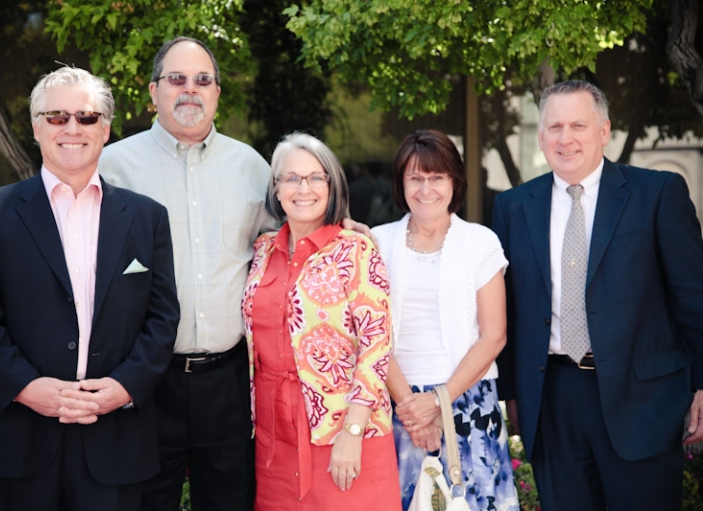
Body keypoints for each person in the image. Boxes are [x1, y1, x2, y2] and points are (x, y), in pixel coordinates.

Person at [0, 67, 180, 511]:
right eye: (56, 117)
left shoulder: (148, 217)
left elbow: (162, 318)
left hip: (114, 438)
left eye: (86, 117)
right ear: (35, 126)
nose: (72, 128)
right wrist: (25, 387)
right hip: (15, 440)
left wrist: (125, 386)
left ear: (106, 128)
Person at [492, 80, 703, 510]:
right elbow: (508, 309)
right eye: (554, 127)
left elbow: (693, 299)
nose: (564, 138)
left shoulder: (657, 194)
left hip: (641, 400)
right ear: (541, 134)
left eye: (577, 125)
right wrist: (513, 394)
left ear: (604, 131)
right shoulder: (514, 206)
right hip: (551, 398)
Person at [241, 133, 401, 510]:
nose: (304, 188)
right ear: (276, 189)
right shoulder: (263, 250)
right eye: (291, 178)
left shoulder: (355, 249)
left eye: (316, 177)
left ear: (333, 186)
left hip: (343, 432)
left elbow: (377, 347)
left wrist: (353, 431)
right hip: (272, 435)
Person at [371, 130, 519, 511]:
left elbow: (494, 336)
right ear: (400, 182)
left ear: (455, 181)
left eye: (436, 177)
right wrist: (413, 409)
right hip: (396, 405)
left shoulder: (480, 242)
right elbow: (369, 336)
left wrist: (438, 401)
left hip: (467, 402)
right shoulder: (375, 242)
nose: (425, 189)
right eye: (414, 177)